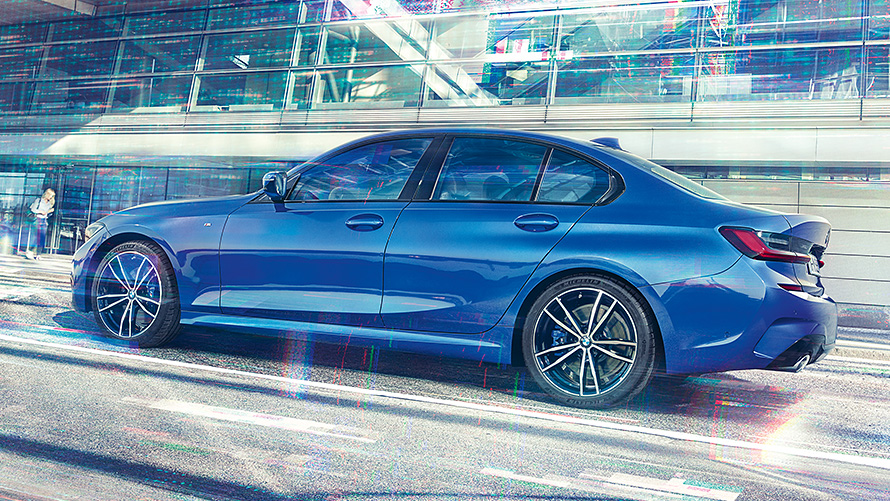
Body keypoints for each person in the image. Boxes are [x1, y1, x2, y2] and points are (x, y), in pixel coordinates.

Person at [27, 188, 55, 260]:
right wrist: (40, 211)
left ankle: (38, 254)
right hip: (37, 219)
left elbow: (46, 214)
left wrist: (49, 212)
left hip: (44, 220)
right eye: (50, 195)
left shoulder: (49, 204)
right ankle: (30, 251)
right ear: (47, 194)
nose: (51, 197)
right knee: (36, 236)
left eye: (52, 196)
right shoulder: (38, 200)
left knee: (42, 238)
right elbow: (33, 209)